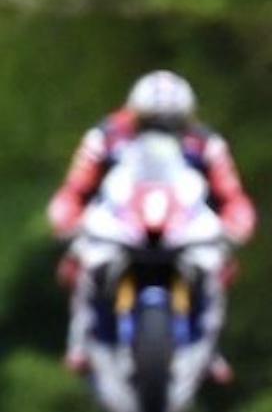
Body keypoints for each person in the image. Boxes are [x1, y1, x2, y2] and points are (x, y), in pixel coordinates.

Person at [45, 71, 257, 379]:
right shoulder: (106, 137)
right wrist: (66, 218)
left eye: (172, 122)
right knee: (84, 263)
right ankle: (81, 343)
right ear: (135, 114)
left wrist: (236, 225)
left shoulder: (206, 143)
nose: (162, 129)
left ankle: (209, 347)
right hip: (120, 223)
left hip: (182, 225)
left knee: (215, 266)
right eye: (152, 121)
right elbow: (75, 187)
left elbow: (232, 195)